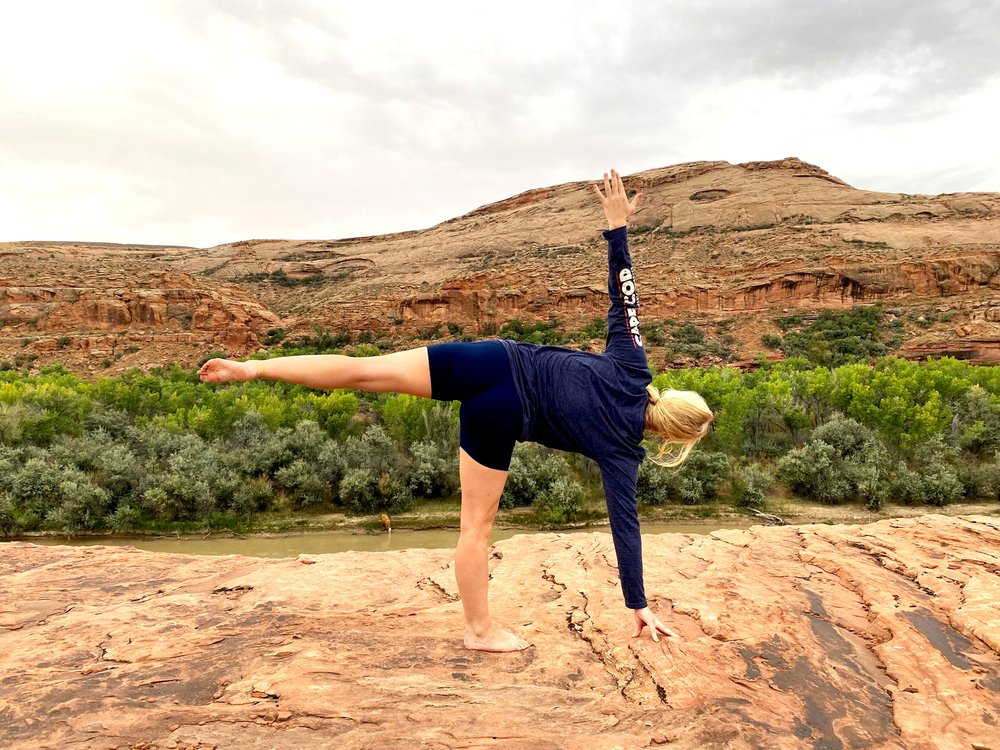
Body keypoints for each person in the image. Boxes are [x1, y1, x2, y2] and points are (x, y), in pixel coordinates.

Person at [198, 169, 715, 652]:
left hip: (491, 361)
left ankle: (254, 369)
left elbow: (624, 295)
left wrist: (617, 224)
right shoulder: (623, 454)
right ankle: (480, 631)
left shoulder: (633, 366)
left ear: (672, 397)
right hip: (502, 415)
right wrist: (638, 604)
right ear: (672, 436)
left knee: (364, 369)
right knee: (475, 529)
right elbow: (626, 528)